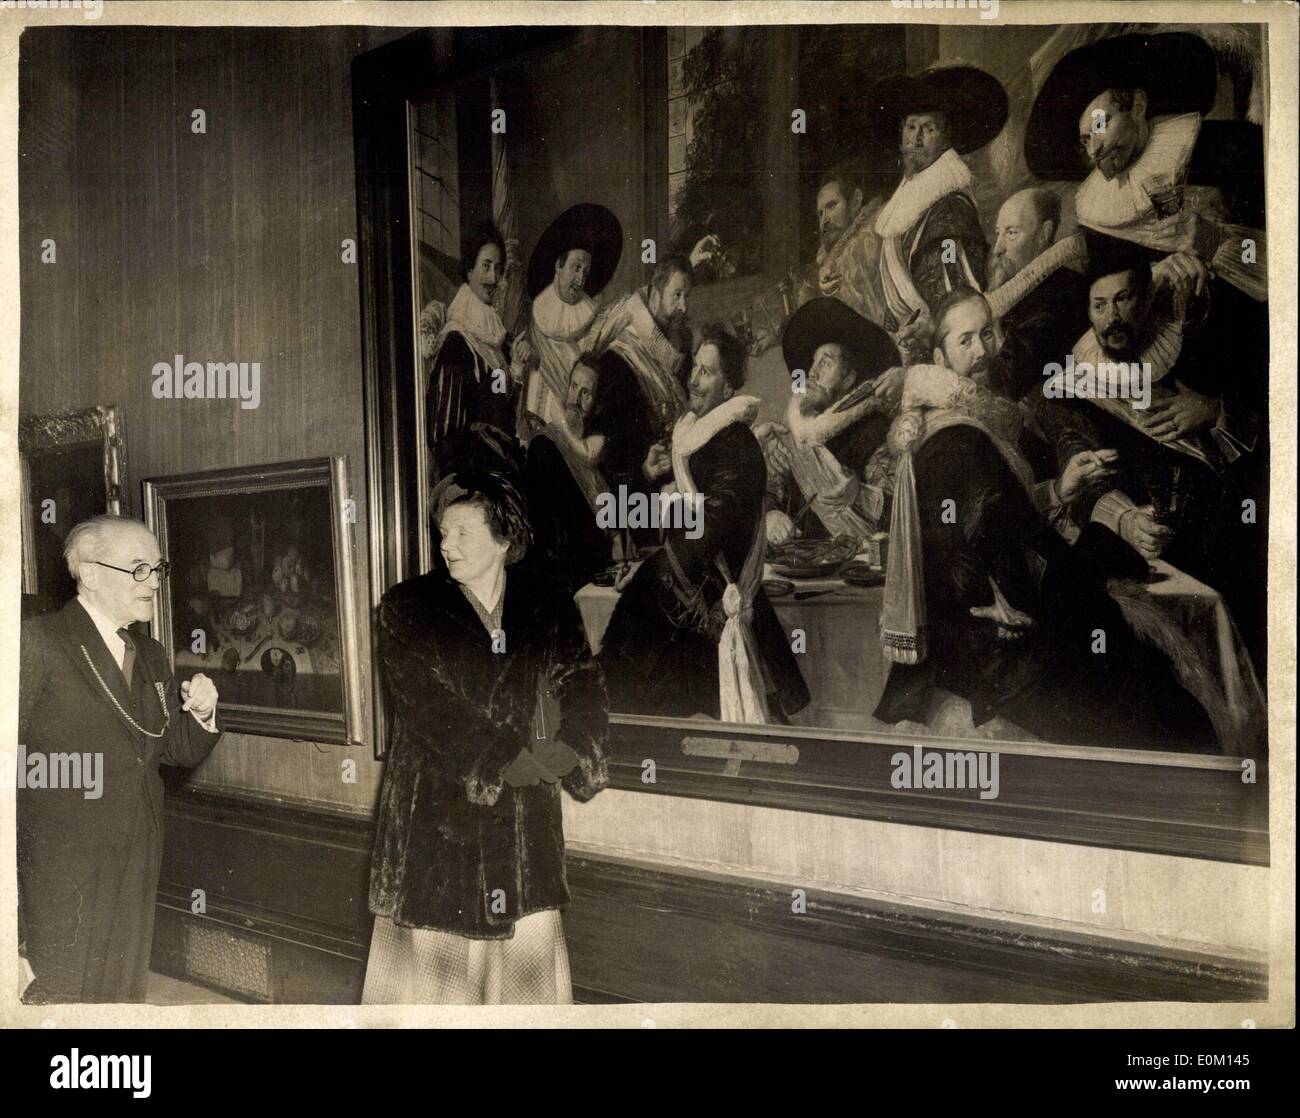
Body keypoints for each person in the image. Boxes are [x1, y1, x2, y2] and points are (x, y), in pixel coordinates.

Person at [871, 292, 1216, 752]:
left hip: (988, 631)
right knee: (1155, 705)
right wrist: (1099, 553)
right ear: (939, 358)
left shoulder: (959, 423)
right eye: (965, 341)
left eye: (989, 333)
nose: (982, 351)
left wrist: (1058, 490)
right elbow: (1007, 563)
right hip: (997, 652)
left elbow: (1001, 516)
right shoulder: (960, 439)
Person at [363, 470, 608, 1005]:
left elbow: (582, 681)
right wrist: (503, 758)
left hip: (525, 834)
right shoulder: (408, 609)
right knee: (436, 999)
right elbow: (429, 708)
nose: (446, 545)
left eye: (462, 533)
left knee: (525, 995)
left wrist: (574, 745)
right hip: (435, 829)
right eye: (442, 532)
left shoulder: (548, 601)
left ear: (504, 538)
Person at [18, 514, 222, 1002]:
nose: (152, 582)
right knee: (63, 995)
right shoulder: (37, 642)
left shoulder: (150, 652)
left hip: (139, 848)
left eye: (157, 568)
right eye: (138, 569)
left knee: (123, 990)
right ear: (88, 572)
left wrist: (204, 714)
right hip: (61, 864)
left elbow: (167, 748)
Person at [1036, 240, 1265, 667]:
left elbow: (1273, 433)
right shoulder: (1077, 384)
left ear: (1146, 299)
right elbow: (1078, 461)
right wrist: (1124, 519)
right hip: (1140, 547)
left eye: (1123, 300)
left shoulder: (1192, 344)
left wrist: (1213, 411)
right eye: (1100, 306)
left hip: (1222, 534)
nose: (1112, 318)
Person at [599, 325, 809, 723]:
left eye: (707, 372)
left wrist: (656, 572)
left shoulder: (737, 445)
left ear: (728, 388)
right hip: (693, 588)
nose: (694, 379)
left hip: (708, 601)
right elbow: (674, 517)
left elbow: (712, 524)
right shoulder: (693, 440)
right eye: (695, 367)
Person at [1025, 31, 1265, 304]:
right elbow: (1102, 300)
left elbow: (1278, 253)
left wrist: (1216, 241)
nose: (1094, 151)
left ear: (1137, 106)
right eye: (1085, 140)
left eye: (1100, 126)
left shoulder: (1234, 148)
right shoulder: (1099, 214)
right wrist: (1150, 279)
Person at [865, 65, 1007, 361]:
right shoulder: (910, 198)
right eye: (910, 127)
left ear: (946, 138)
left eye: (928, 129)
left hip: (947, 353)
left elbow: (959, 301)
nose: (915, 140)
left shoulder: (949, 208)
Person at [763, 297, 902, 546]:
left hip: (856, 570)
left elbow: (901, 512)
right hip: (799, 563)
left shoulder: (873, 430)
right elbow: (768, 493)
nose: (812, 372)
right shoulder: (792, 431)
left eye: (825, 363)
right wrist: (771, 515)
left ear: (849, 378)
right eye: (813, 363)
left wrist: (860, 495)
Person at [581, 253, 695, 543]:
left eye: (687, 296)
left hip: (677, 494)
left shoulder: (677, 355)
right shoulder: (619, 360)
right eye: (677, 295)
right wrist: (645, 470)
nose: (684, 306)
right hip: (639, 505)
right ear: (655, 294)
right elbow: (609, 455)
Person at [524, 351, 640, 593]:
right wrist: (609, 549)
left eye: (585, 393)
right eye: (573, 386)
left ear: (597, 405)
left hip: (597, 574)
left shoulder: (597, 449)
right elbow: (555, 538)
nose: (575, 399)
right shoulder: (544, 447)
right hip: (563, 583)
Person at [425, 221, 533, 483]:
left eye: (498, 269)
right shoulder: (456, 341)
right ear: (470, 269)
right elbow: (446, 435)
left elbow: (499, 409)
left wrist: (516, 368)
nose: (493, 278)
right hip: (471, 478)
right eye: (486, 266)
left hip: (499, 468)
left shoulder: (494, 340)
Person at [980, 187, 1089, 402]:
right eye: (998, 233)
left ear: (1044, 234)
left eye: (1011, 233)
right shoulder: (1008, 283)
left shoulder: (1063, 295)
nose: (997, 249)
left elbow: (1005, 383)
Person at [521, 203, 623, 433]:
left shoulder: (593, 320)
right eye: (576, 268)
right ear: (559, 264)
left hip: (575, 429)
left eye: (585, 272)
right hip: (536, 422)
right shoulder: (534, 315)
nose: (580, 279)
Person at [802, 166, 889, 325]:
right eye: (820, 213)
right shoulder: (828, 256)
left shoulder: (871, 236)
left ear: (856, 200)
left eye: (831, 206)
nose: (824, 221)